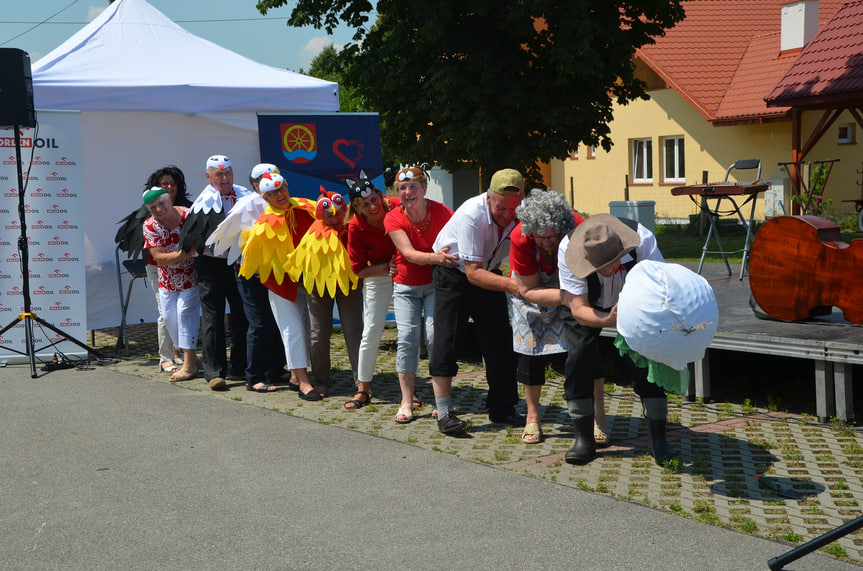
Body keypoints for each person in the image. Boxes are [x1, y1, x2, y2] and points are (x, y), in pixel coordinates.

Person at [558, 213, 677, 465]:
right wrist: (606, 320)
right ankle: (584, 439)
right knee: (579, 355)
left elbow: (662, 288)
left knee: (645, 357)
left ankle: (658, 440)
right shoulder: (567, 250)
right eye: (601, 267)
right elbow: (578, 308)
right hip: (589, 307)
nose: (609, 270)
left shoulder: (643, 239)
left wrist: (637, 316)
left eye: (612, 263)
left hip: (638, 303)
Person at [429, 168, 525, 435]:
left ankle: (502, 407)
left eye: (513, 210)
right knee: (448, 339)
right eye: (500, 209)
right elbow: (472, 273)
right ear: (489, 197)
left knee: (500, 340)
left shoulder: (520, 211)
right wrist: (512, 285)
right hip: (455, 271)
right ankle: (445, 412)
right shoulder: (473, 213)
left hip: (488, 271)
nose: (507, 216)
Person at [208, 163, 292, 392]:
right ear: (255, 184)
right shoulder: (247, 203)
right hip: (251, 274)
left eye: (276, 177)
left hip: (277, 273)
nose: (272, 182)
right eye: (265, 179)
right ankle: (254, 375)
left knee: (276, 321)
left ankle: (276, 368)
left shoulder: (285, 203)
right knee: (260, 323)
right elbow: (228, 237)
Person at [509, 189, 582, 443]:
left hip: (570, 287)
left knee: (581, 350)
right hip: (531, 290)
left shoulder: (577, 229)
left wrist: (574, 301)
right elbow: (528, 289)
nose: (547, 243)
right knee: (530, 353)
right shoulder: (520, 237)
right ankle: (533, 417)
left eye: (551, 236)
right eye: (540, 238)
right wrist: (564, 298)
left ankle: (589, 416)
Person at [384, 166, 456, 423]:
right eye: (402, 188)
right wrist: (436, 257)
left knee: (436, 336)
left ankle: (442, 401)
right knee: (407, 338)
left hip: (436, 285)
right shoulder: (393, 218)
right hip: (406, 287)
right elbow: (409, 253)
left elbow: (457, 237)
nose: (407, 192)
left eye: (413, 186)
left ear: (424, 189)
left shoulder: (442, 212)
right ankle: (406, 401)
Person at [238, 172, 319, 397]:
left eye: (282, 188)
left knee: (308, 327)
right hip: (281, 282)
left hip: (309, 278)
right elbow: (251, 259)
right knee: (291, 328)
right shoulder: (264, 224)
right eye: (273, 193)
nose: (280, 195)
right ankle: (303, 382)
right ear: (265, 198)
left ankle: (296, 374)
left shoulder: (306, 206)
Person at [285, 186, 362, 399]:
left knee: (354, 331)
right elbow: (299, 259)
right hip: (318, 287)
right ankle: (320, 380)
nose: (334, 218)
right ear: (320, 213)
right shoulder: (313, 232)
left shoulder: (353, 228)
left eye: (338, 213)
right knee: (318, 334)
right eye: (328, 214)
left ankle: (362, 382)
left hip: (350, 284)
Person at [182, 155, 251, 390]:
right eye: (218, 174)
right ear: (208, 177)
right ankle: (214, 372)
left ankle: (242, 366)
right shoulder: (202, 203)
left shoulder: (245, 196)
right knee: (213, 319)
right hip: (211, 266)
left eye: (228, 173)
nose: (224, 178)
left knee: (243, 316)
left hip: (241, 264)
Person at [114, 165, 191, 374]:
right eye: (164, 183)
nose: (168, 186)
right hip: (159, 268)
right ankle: (167, 356)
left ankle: (186, 354)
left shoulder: (188, 209)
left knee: (184, 312)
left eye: (172, 183)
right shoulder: (145, 213)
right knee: (165, 312)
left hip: (187, 270)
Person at [344, 171, 400, 410]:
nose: (372, 206)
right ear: (357, 208)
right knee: (372, 331)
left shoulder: (397, 206)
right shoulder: (355, 227)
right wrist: (386, 267)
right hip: (379, 274)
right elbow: (358, 270)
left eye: (374, 199)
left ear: (380, 194)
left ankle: (410, 391)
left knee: (409, 331)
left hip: (408, 271)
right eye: (365, 205)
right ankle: (363, 388)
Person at [141, 187, 200, 382]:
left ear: (169, 200)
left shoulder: (189, 215)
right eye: (153, 207)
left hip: (192, 275)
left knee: (184, 314)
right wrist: (185, 253)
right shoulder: (150, 225)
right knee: (168, 318)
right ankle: (189, 357)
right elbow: (159, 258)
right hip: (167, 279)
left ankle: (188, 364)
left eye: (161, 203)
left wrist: (188, 255)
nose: (158, 209)